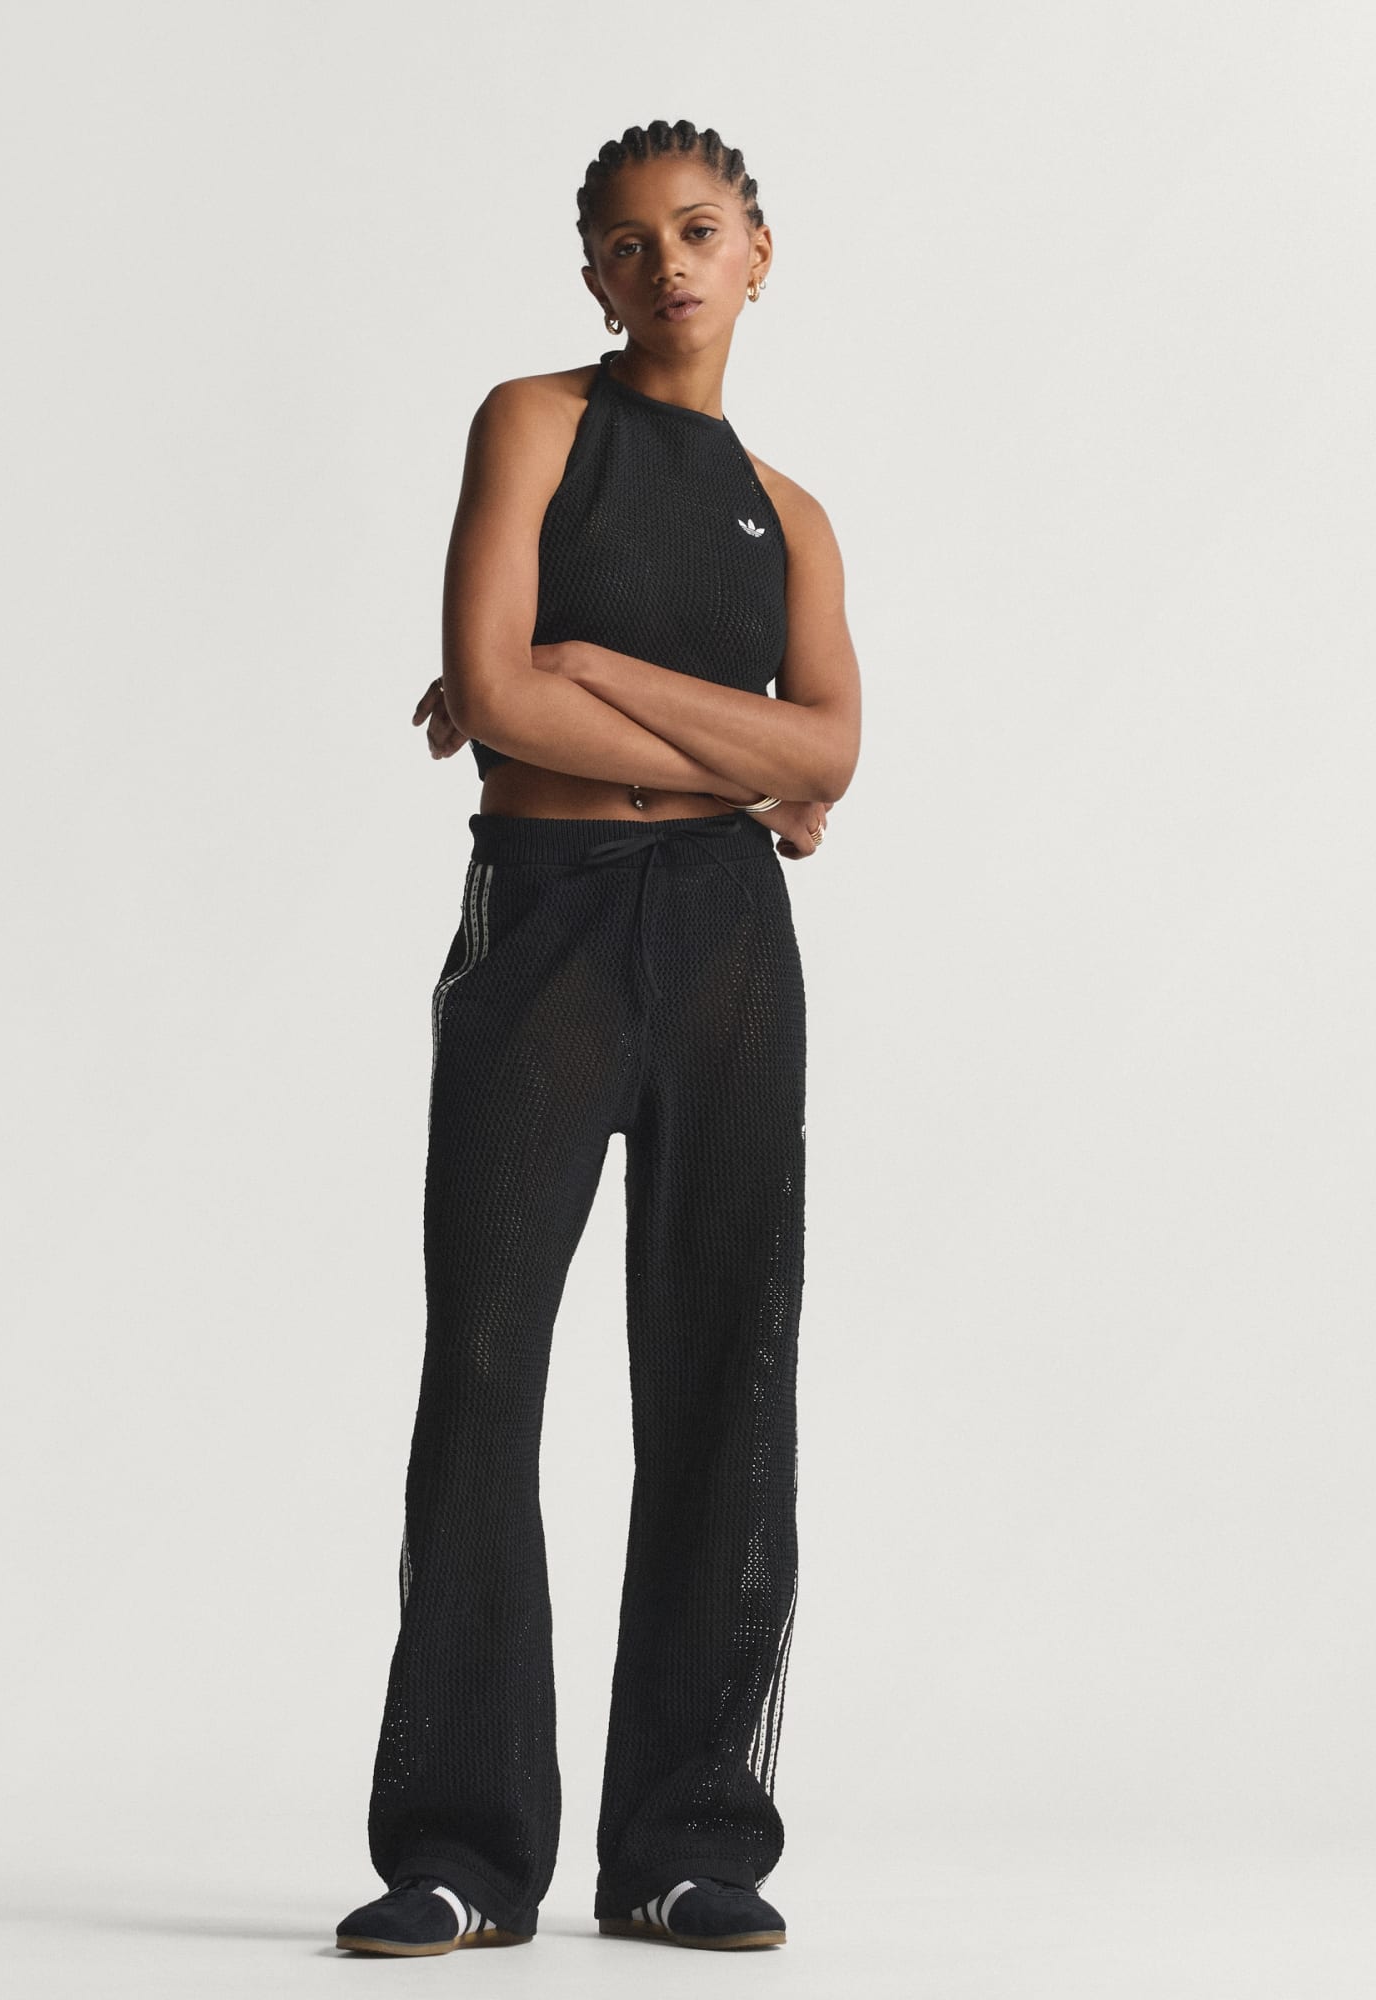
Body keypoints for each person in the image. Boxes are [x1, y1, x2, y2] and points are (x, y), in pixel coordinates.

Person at [336, 118, 860, 1958]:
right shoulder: (534, 425)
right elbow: (496, 696)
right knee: (485, 1359)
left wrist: (598, 672)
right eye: (629, 244)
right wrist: (734, 747)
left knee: (726, 1363)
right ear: (592, 275)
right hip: (546, 919)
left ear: (759, 253)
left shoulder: (793, 516)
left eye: (699, 231)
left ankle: (684, 1844)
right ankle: (465, 1849)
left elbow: (834, 755)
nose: (667, 266)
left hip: (724, 946)